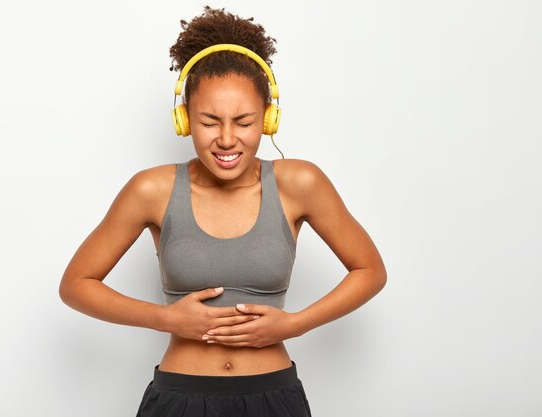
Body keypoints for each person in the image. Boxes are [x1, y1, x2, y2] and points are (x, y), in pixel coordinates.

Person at [59, 6, 387, 416]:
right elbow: (76, 284)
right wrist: (167, 319)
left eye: (244, 121)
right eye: (210, 121)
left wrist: (294, 323)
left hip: (274, 396)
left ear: (268, 119)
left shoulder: (301, 183)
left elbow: (370, 270)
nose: (227, 139)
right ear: (184, 120)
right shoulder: (151, 189)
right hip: (179, 397)